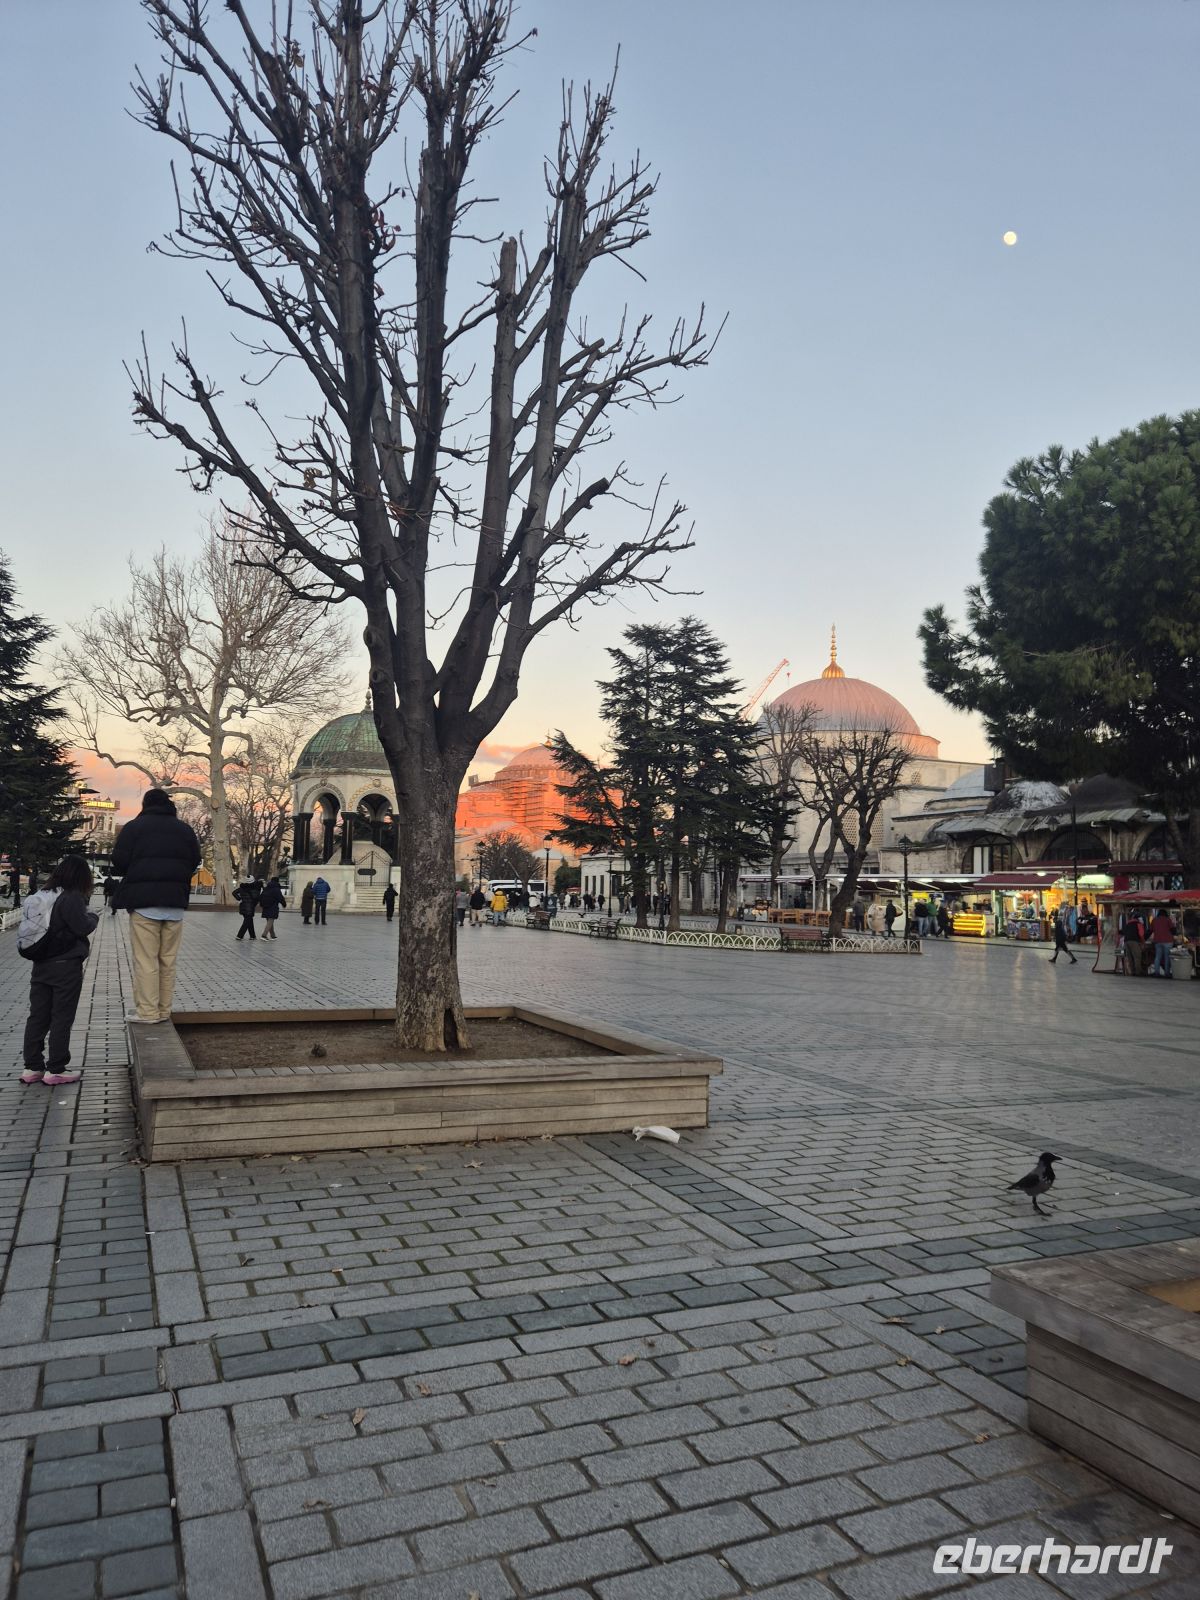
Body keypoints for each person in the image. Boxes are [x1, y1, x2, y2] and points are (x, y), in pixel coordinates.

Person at [111, 788, 202, 1024]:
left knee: (146, 960)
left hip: (144, 904)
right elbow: (194, 862)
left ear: (145, 804)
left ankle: (148, 1012)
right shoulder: (185, 830)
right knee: (168, 961)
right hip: (175, 905)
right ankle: (163, 1010)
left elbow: (119, 863)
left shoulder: (133, 828)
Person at [19, 855, 99, 1087]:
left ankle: (32, 1067)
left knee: (38, 1016)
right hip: (65, 967)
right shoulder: (71, 897)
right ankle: (56, 1068)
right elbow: (82, 926)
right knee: (61, 1017)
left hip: (41, 964)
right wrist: (93, 916)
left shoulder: (45, 894)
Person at [1150, 907, 1175, 977]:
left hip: (1157, 941)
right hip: (1168, 941)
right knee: (1167, 957)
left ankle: (1156, 972)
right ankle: (1167, 973)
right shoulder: (1168, 920)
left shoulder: (1154, 920)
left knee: (1157, 957)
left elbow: (1150, 930)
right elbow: (1173, 930)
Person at [1120, 909, 1145, 976]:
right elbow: (1141, 934)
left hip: (1126, 941)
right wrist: (1143, 942)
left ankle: (1132, 971)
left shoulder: (1128, 924)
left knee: (1130, 957)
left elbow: (1124, 932)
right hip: (1134, 941)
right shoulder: (1138, 924)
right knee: (1137, 957)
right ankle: (1138, 972)